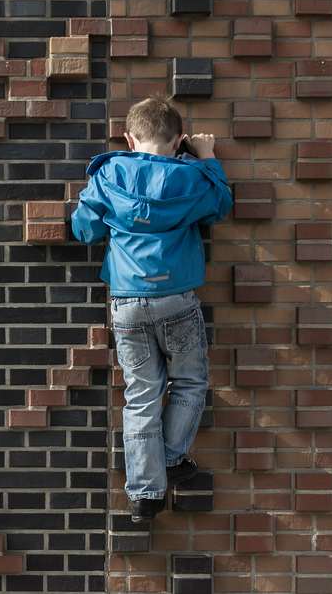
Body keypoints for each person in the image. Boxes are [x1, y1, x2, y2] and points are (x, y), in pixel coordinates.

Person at [70, 96, 233, 523]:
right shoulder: (192, 177)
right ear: (179, 141)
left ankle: (146, 493)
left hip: (126, 299)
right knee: (190, 382)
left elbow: (84, 230)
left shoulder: (108, 174)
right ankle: (171, 460)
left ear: (128, 138)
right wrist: (209, 156)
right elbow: (221, 206)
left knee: (140, 394)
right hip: (176, 296)